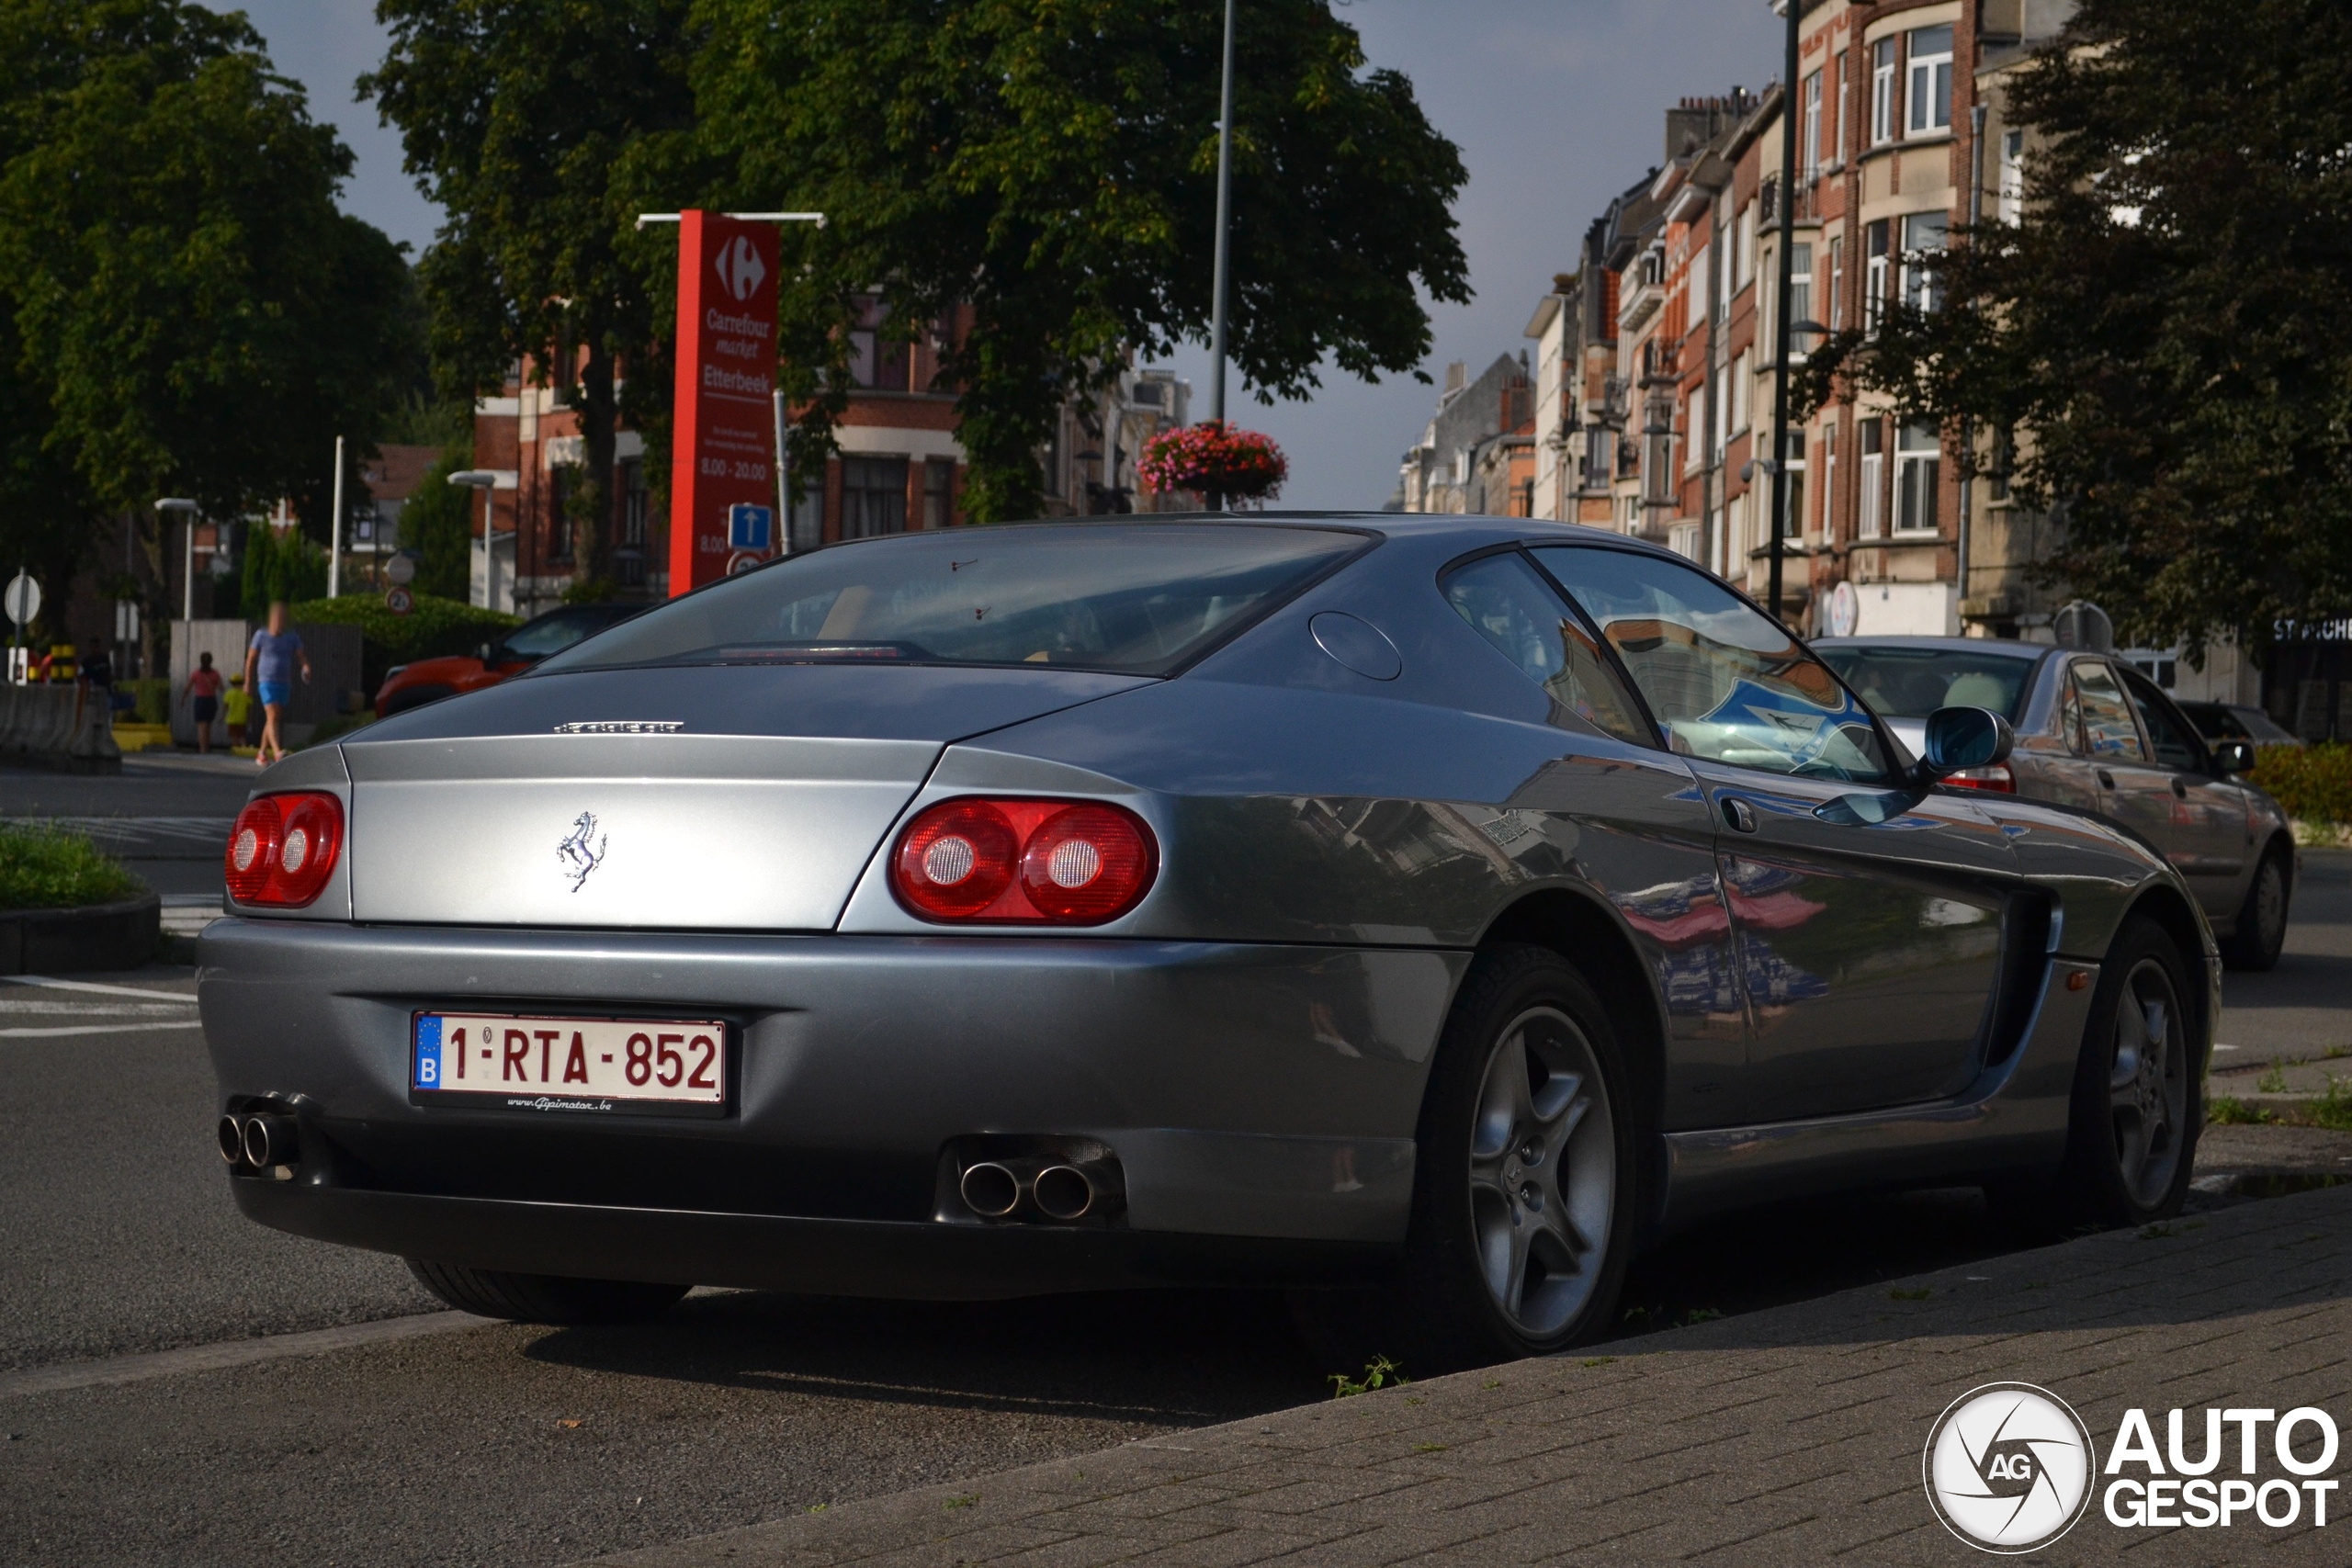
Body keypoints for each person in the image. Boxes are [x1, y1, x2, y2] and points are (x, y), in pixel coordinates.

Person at [243, 603, 311, 766]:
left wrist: (306, 666)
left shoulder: (291, 636)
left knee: (273, 718)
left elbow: (300, 655)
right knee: (272, 715)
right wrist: (247, 682)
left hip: (284, 681)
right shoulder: (261, 635)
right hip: (266, 680)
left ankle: (262, 753)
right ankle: (278, 752)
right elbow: (251, 659)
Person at [185, 650, 224, 753]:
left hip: (200, 700)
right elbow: (221, 688)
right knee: (208, 726)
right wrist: (212, 686)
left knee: (202, 727)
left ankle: (203, 749)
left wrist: (182, 699)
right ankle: (207, 746)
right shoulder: (215, 674)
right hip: (211, 700)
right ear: (211, 661)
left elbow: (187, 688)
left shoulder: (196, 674)